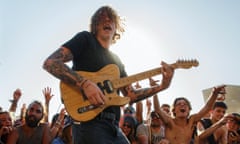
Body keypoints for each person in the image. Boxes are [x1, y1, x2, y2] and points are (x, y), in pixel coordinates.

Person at [42, 5, 174, 144]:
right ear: (94, 26)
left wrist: (162, 86)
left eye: (110, 18)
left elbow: (131, 95)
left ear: (116, 27)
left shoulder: (116, 61)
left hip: (114, 127)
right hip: (89, 123)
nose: (106, 20)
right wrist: (84, 84)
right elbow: (51, 62)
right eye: (100, 18)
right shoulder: (85, 39)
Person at [154, 85, 226, 144]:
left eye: (185, 104)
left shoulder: (191, 121)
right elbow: (157, 109)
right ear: (174, 110)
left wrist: (214, 93)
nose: (182, 105)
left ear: (189, 110)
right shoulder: (170, 122)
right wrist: (155, 90)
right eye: (179, 104)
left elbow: (207, 107)